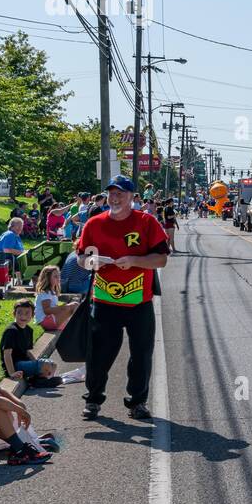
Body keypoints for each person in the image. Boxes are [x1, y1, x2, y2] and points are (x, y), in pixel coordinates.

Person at [77, 175, 169, 421]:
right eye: (111, 193)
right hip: (104, 301)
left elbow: (161, 259)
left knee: (140, 354)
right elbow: (81, 258)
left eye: (120, 193)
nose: (114, 198)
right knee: (99, 355)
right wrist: (90, 262)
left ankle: (137, 402)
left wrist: (135, 261)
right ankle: (93, 400)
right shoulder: (93, 224)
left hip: (139, 301)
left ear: (131, 197)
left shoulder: (146, 222)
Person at [0, 301, 60, 381]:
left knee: (53, 364)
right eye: (19, 312)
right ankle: (45, 379)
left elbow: (27, 351)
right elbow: (7, 354)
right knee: (46, 365)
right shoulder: (11, 331)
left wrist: (36, 363)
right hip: (16, 365)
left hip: (25, 361)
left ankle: (43, 379)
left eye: (27, 313)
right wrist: (12, 373)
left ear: (32, 315)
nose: (23, 316)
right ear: (14, 314)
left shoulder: (29, 330)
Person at [34, 265, 79, 332]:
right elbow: (47, 310)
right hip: (46, 321)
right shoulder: (45, 293)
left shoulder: (52, 292)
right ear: (47, 278)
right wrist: (62, 308)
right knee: (73, 305)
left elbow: (52, 308)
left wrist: (61, 308)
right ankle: (81, 324)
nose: (58, 278)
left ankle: (78, 325)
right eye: (55, 276)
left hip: (49, 320)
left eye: (59, 276)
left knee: (73, 306)